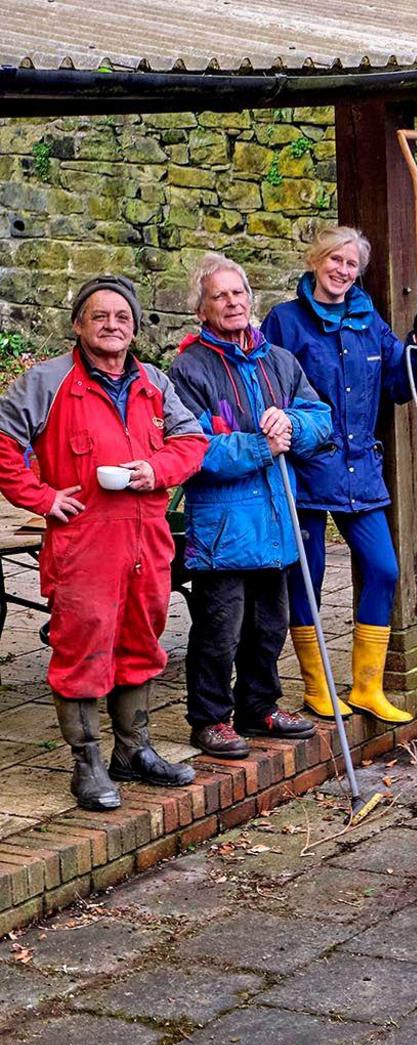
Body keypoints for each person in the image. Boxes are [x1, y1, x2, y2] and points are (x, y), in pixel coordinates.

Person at [0, 275, 208, 811]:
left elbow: (191, 442)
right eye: (100, 316)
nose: (112, 325)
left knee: (142, 640)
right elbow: (2, 440)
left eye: (122, 318)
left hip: (147, 539)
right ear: (78, 324)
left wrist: (155, 469)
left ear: (134, 328)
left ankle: (133, 750)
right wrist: (41, 498)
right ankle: (87, 765)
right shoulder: (46, 382)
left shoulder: (154, 382)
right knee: (83, 647)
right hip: (84, 543)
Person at [168, 254, 334, 757]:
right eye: (218, 296)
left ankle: (259, 705)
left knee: (270, 624)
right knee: (220, 628)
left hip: (277, 516)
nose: (231, 302)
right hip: (223, 526)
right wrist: (262, 447)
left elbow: (320, 419)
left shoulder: (279, 361)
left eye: (237, 293)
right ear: (202, 309)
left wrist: (292, 426)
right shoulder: (188, 368)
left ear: (250, 299)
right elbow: (192, 448)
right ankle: (210, 718)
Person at [261, 226, 416, 724]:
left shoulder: (369, 320)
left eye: (351, 264)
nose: (343, 271)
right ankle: (315, 687)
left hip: (359, 467)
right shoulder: (285, 321)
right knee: (308, 577)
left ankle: (367, 687)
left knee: (384, 568)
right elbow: (268, 386)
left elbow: (398, 385)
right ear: (315, 259)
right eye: (335, 260)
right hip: (306, 468)